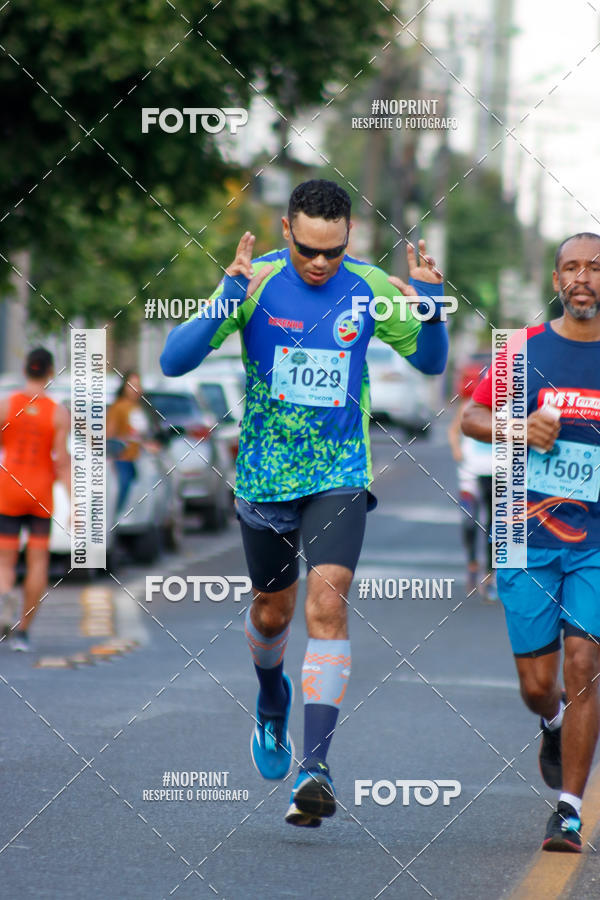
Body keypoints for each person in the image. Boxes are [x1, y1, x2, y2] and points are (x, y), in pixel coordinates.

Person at [160, 179, 449, 827]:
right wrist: (225, 299)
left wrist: (431, 305)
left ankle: (314, 767)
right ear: (287, 231)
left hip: (340, 470)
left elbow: (431, 364)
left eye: (335, 251)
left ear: (350, 238)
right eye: (309, 250)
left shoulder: (371, 286)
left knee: (328, 603)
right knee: (271, 612)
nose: (321, 263)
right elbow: (174, 363)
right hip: (264, 476)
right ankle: (270, 701)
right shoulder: (253, 281)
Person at [461, 232, 600, 852]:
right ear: (555, 282)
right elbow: (468, 418)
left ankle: (568, 810)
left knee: (584, 665)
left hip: (595, 539)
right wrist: (518, 426)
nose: (583, 279)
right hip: (525, 532)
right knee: (538, 685)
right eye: (571, 268)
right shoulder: (522, 352)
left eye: (595, 269)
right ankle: (551, 721)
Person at [0, 348, 70, 651]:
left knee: (5, 560)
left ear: (26, 369)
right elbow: (62, 461)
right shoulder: (57, 412)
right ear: (50, 373)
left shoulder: (6, 405)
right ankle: (24, 631)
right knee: (38, 561)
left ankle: (4, 597)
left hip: (9, 489)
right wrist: (76, 501)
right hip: (40, 492)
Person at [448, 363, 494, 599]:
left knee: (494, 526)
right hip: (469, 474)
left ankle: (490, 573)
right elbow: (453, 430)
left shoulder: (508, 407)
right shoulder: (469, 406)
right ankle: (472, 563)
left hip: (496, 473)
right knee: (469, 522)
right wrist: (457, 450)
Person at [107, 371, 153, 512]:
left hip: (140, 458)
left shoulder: (141, 408)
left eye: (137, 385)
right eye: (131, 385)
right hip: (123, 457)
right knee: (124, 486)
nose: (135, 389)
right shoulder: (119, 407)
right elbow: (110, 433)